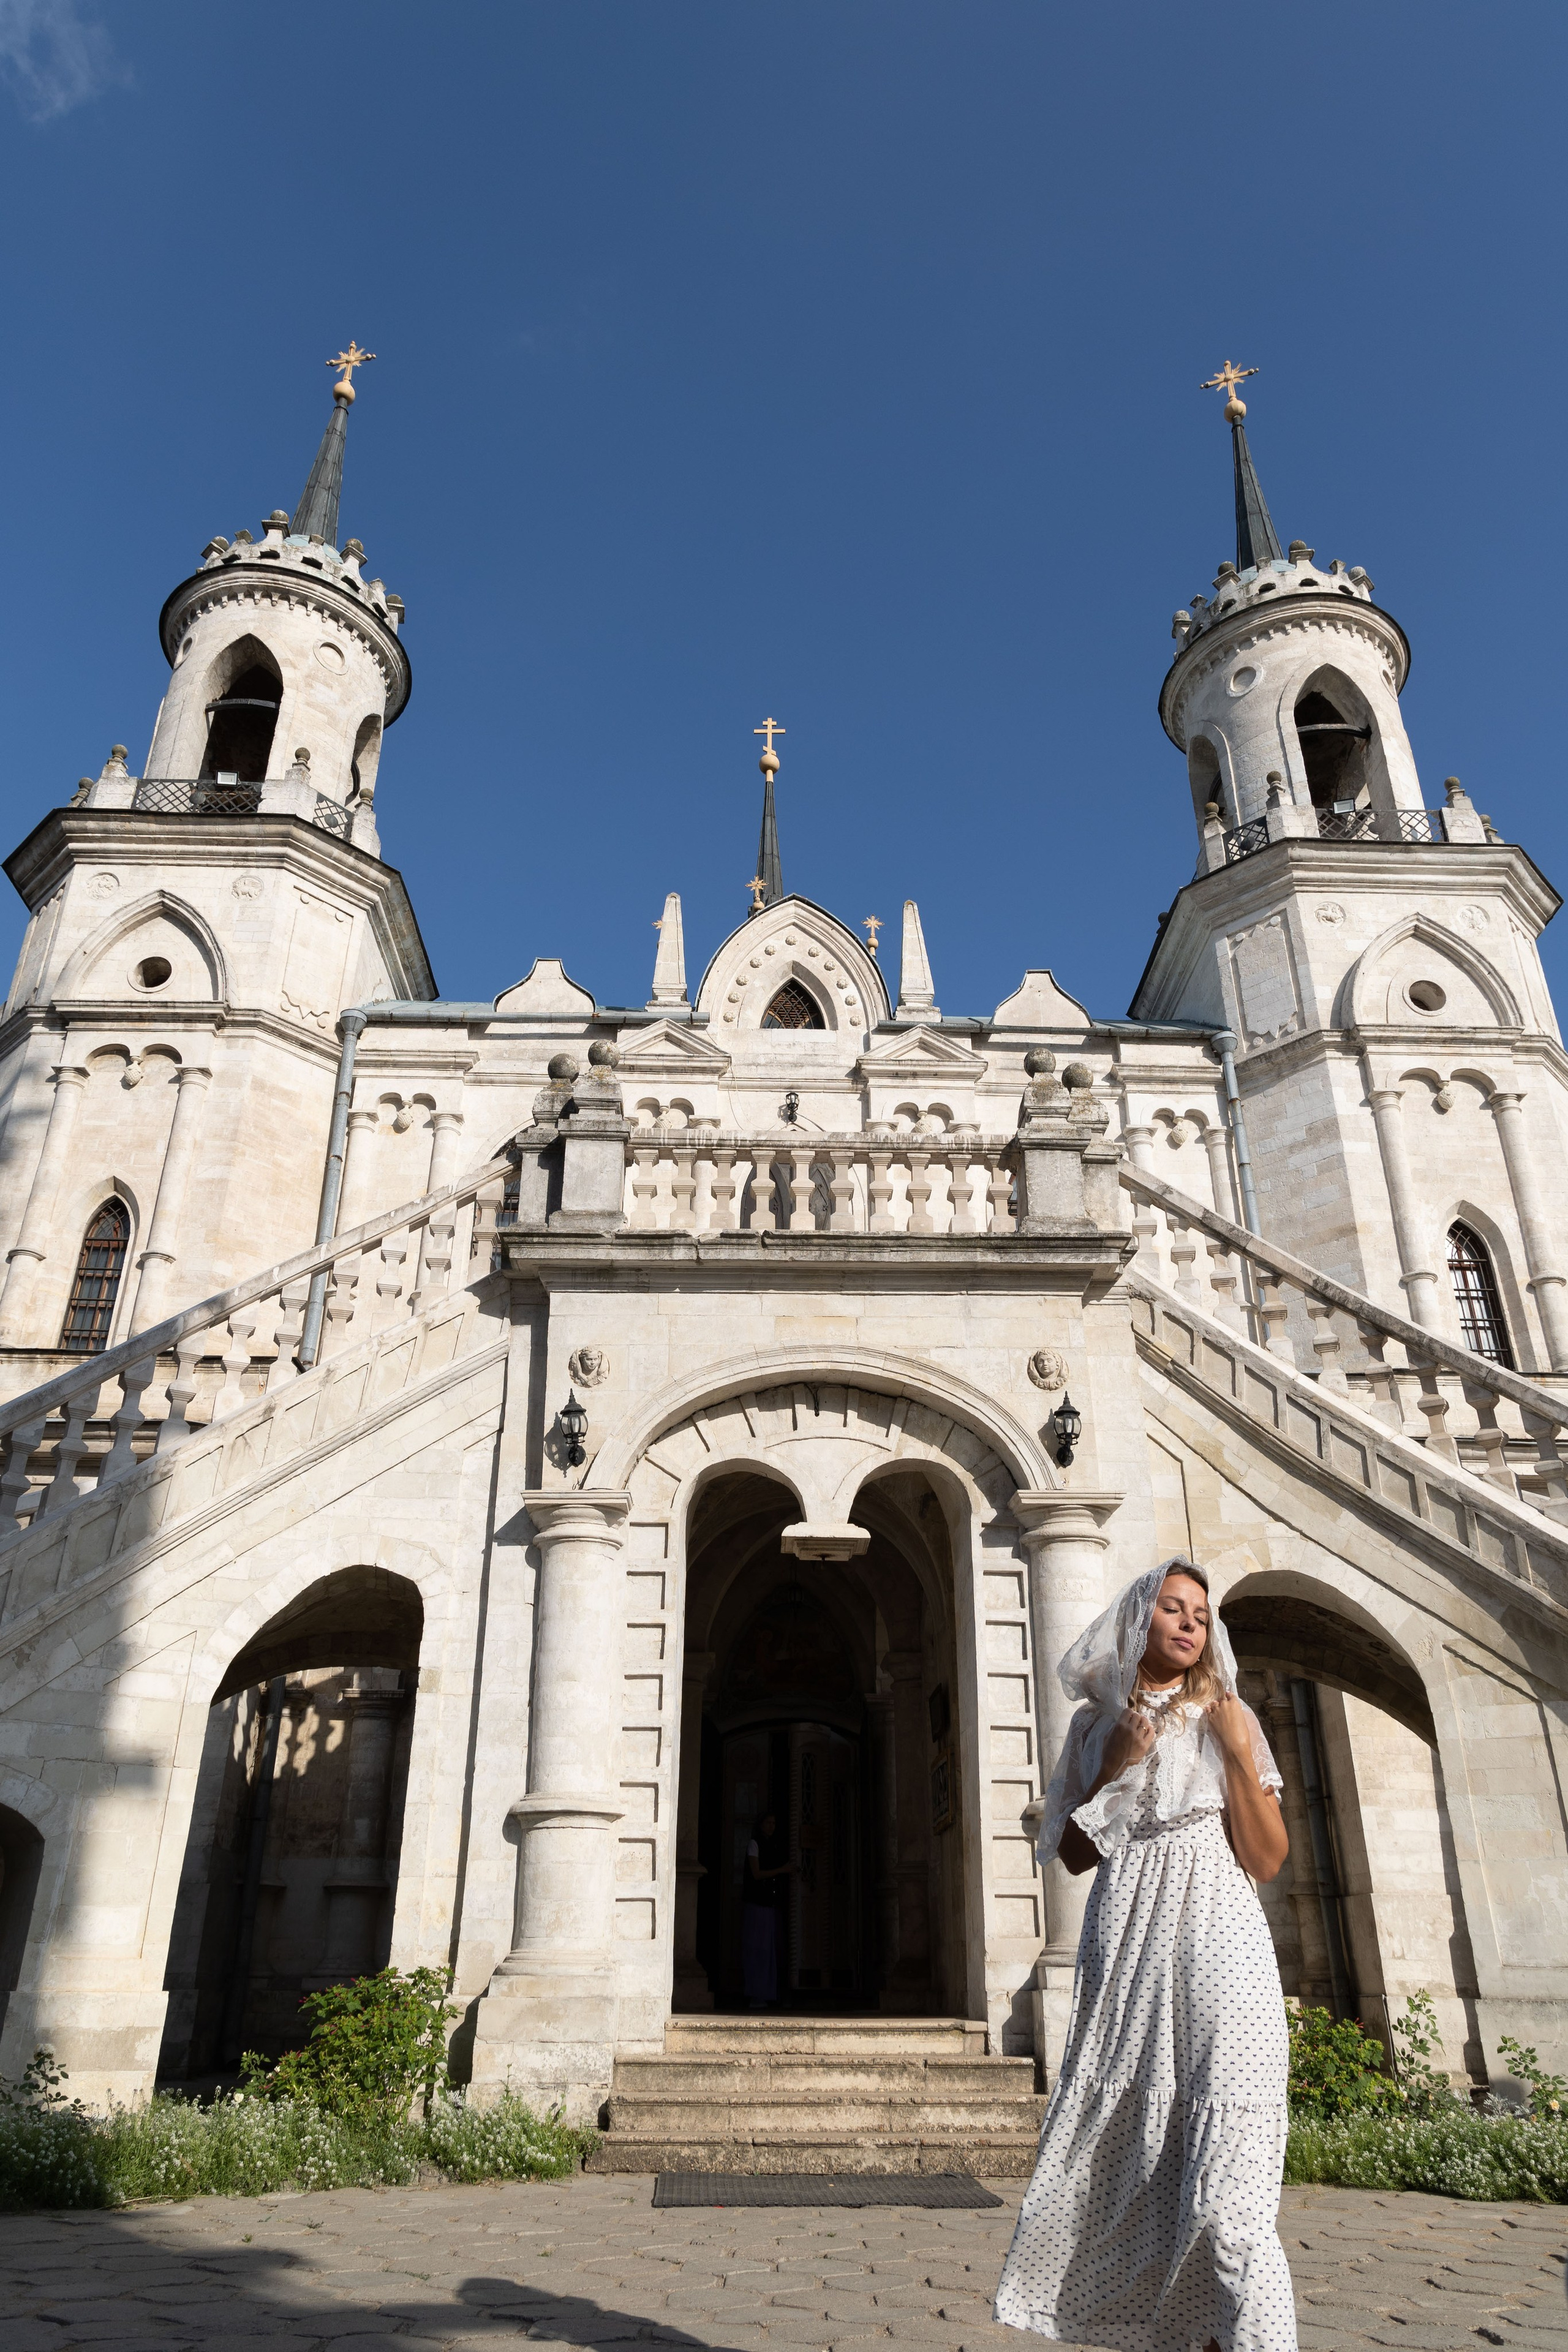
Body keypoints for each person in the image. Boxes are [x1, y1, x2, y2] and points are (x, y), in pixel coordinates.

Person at [995, 1558, 1296, 2352]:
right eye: (1173, 1607)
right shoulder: (1098, 1723)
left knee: (1232, 2190)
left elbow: (1267, 1860)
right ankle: (1191, 2336)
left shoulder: (1229, 1715)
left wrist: (1235, 1750)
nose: (1192, 1622)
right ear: (1140, 1622)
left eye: (1201, 1611)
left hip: (1219, 1931)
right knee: (1155, 2154)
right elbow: (1071, 1854)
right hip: (1129, 1934)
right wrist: (1115, 1764)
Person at [741, 1809, 794, 2008]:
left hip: (769, 1905)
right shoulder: (755, 1844)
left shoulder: (772, 1845)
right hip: (757, 1904)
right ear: (761, 1824)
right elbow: (756, 1873)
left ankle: (767, 1994)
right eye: (768, 1823)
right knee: (757, 1949)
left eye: (774, 1823)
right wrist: (782, 1870)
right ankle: (756, 1994)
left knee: (769, 1950)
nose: (772, 1826)